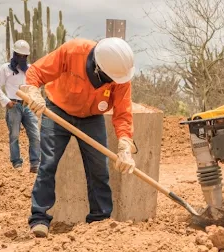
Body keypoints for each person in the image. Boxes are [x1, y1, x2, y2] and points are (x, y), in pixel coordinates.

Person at [19, 37, 138, 238]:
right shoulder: (73, 51)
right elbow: (36, 72)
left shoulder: (120, 75)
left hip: (92, 118)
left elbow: (123, 114)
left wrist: (125, 145)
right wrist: (33, 91)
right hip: (58, 110)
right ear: (98, 68)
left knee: (99, 169)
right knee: (48, 164)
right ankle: (39, 218)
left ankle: (100, 220)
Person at [0, 40, 41, 173]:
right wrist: (5, 101)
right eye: (19, 55)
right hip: (13, 105)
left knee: (35, 134)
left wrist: (35, 100)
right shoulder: (5, 68)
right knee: (14, 135)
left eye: (24, 56)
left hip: (28, 105)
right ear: (14, 54)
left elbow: (35, 86)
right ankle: (16, 163)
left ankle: (35, 163)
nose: (21, 58)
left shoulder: (30, 69)